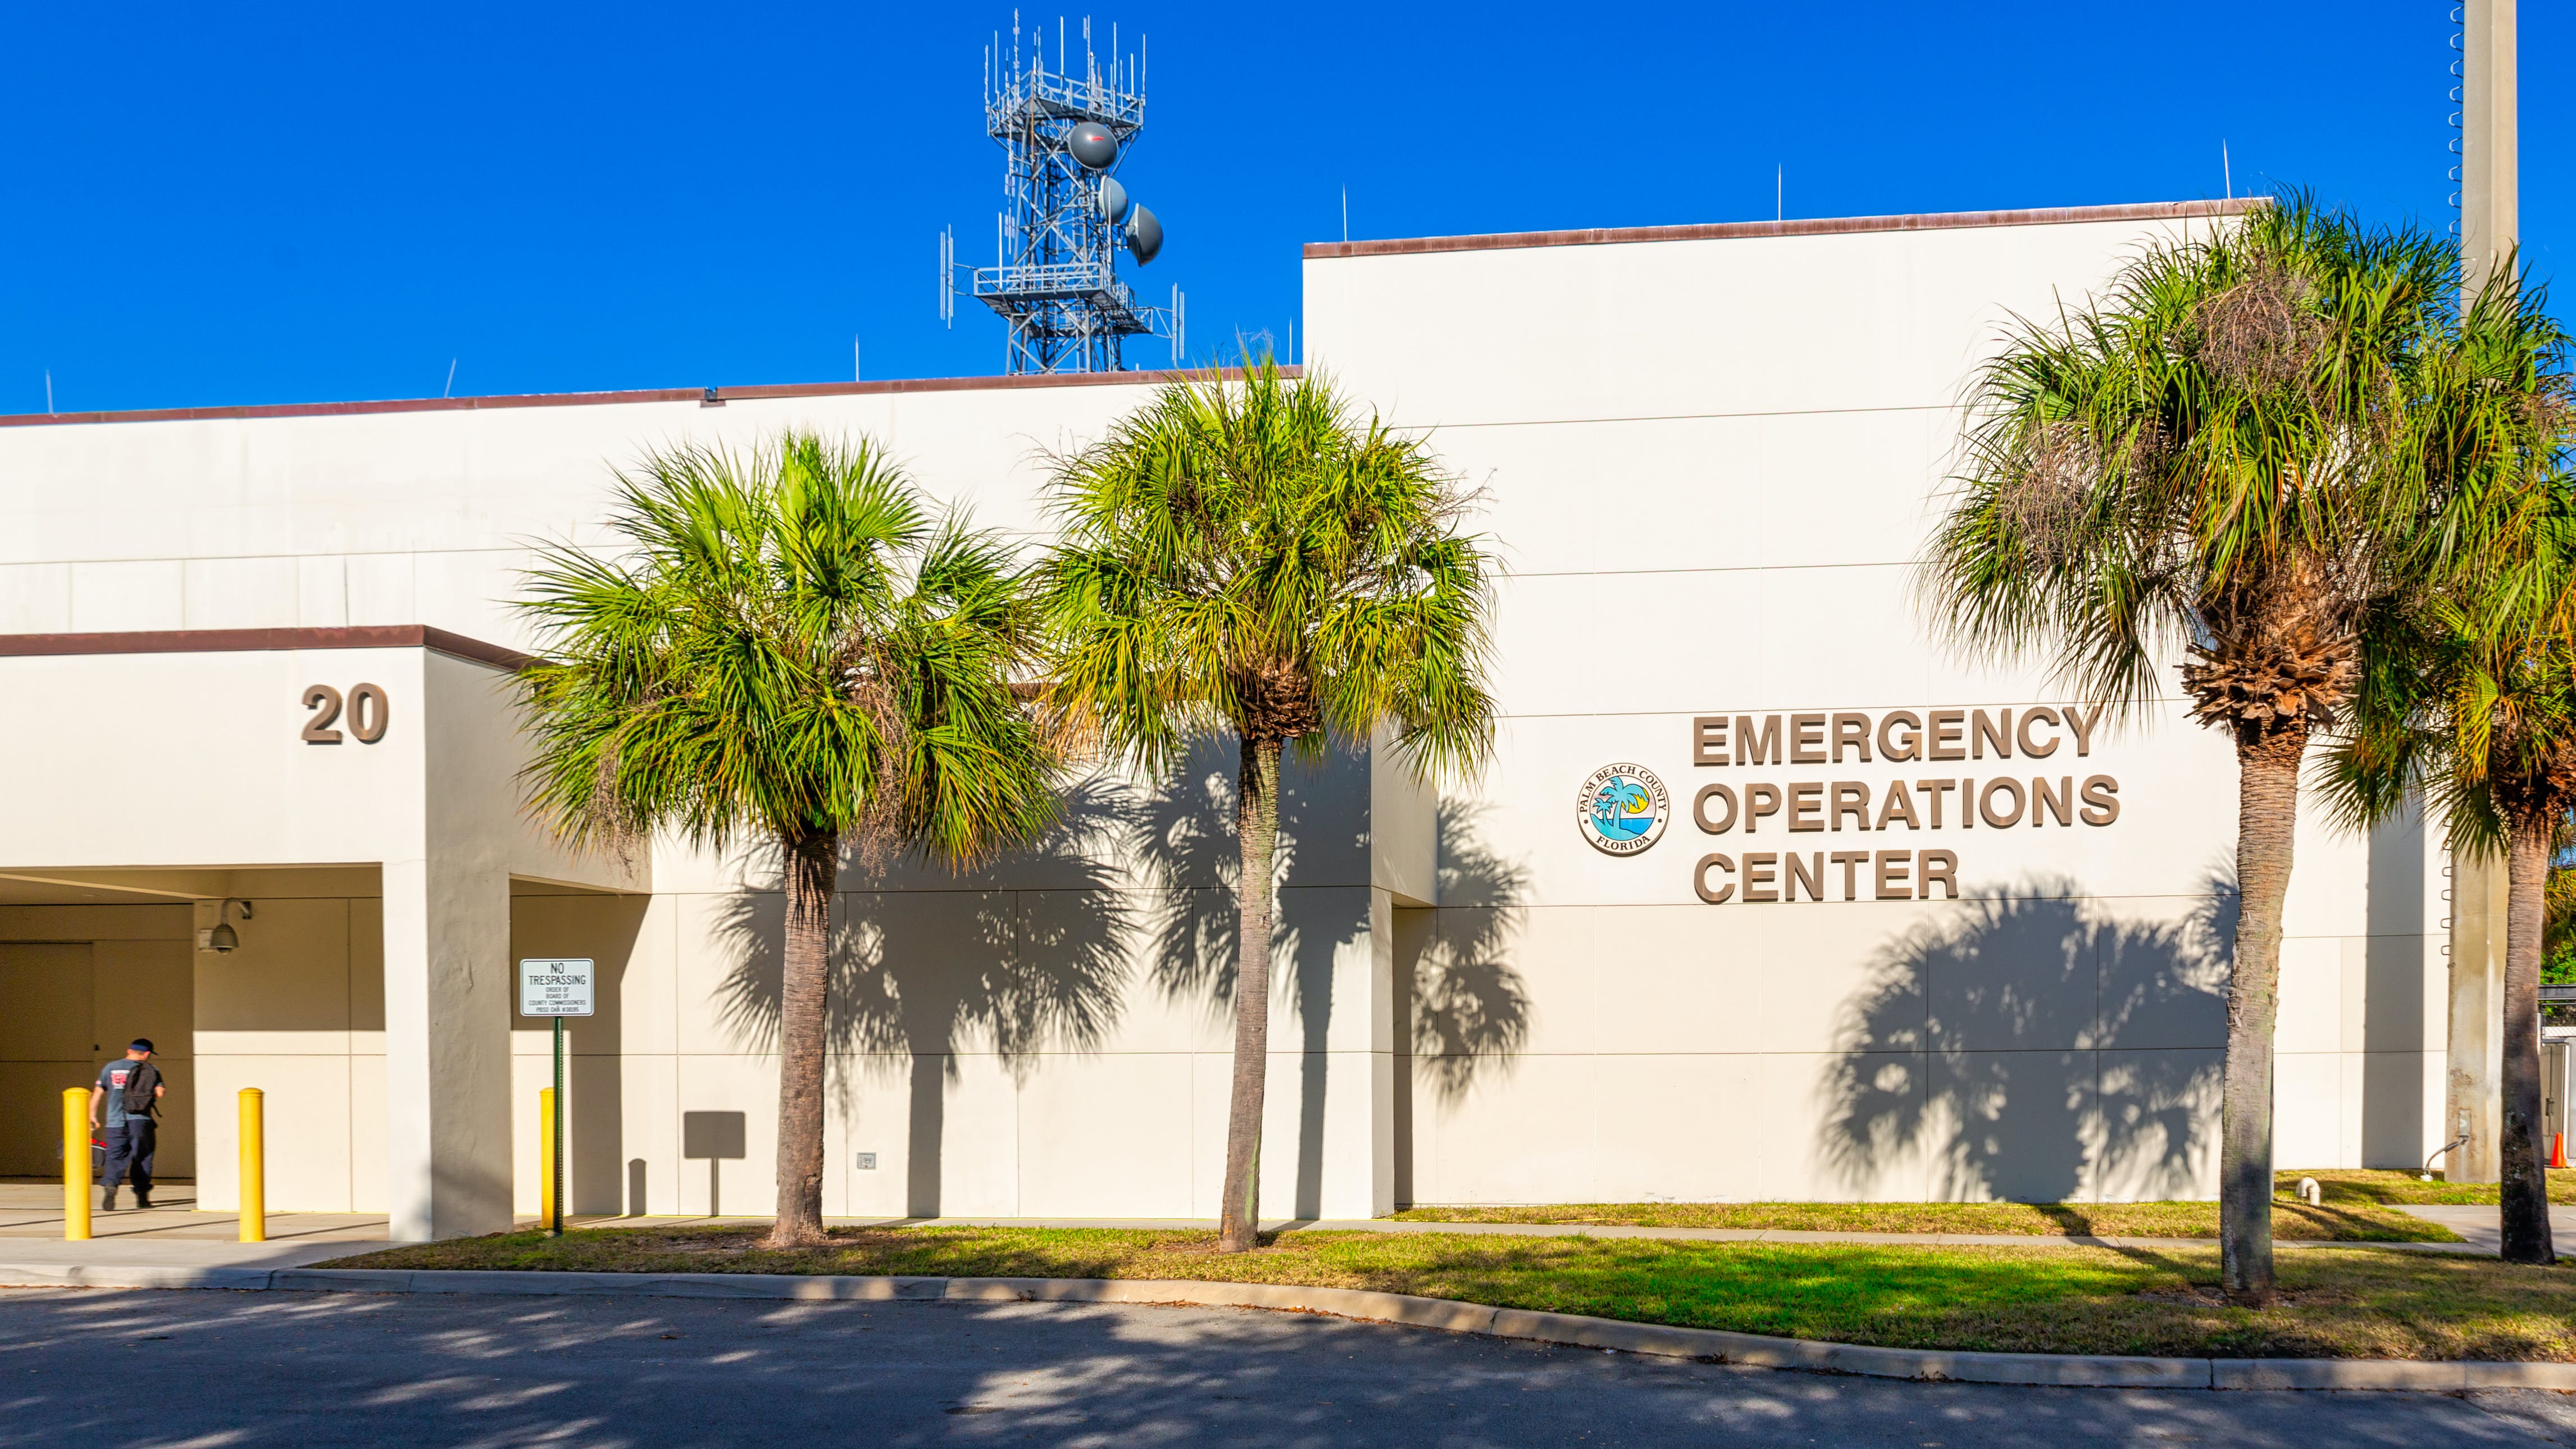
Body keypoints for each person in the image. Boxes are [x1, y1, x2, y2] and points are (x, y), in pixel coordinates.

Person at [89, 1040, 163, 1211]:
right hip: (141, 1121)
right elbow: (160, 1093)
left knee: (115, 1156)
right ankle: (142, 1196)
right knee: (142, 1157)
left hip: (115, 1122)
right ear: (146, 1054)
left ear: (129, 1050)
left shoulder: (110, 1068)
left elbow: (98, 1092)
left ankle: (111, 1185)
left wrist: (92, 1115)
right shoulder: (151, 1069)